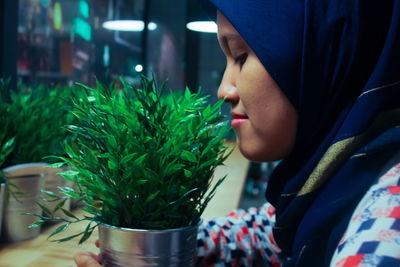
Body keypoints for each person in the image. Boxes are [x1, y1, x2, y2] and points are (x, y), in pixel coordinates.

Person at [74, 0, 400, 266]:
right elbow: (267, 232)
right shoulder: (334, 184)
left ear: (324, 53)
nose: (223, 90)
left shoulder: (384, 232)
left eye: (241, 57)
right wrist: (152, 250)